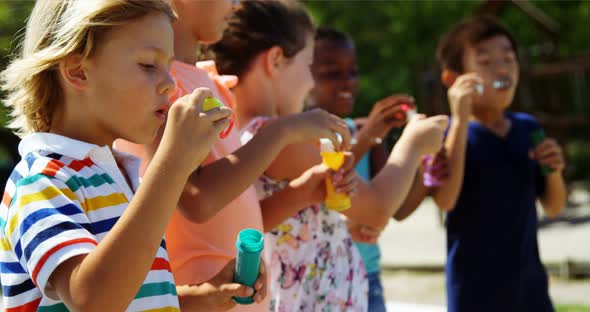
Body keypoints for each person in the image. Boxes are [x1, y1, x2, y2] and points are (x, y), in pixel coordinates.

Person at [114, 0, 356, 310]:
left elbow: (232, 214)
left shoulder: (201, 80)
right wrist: (281, 132)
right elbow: (197, 198)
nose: (238, 4)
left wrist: (301, 193)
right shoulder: (162, 86)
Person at [211, 1, 448, 310]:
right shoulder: (279, 136)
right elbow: (377, 208)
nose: (310, 83)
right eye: (308, 64)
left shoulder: (237, 133)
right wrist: (414, 142)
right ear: (276, 60)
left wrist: (338, 224)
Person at [0, 1, 232, 310]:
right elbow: (94, 301)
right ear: (77, 71)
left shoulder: (119, 176)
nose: (170, 84)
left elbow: (130, 297)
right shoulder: (40, 181)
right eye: (149, 65)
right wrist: (174, 165)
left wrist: (204, 297)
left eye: (169, 67)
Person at [395, 16, 567, 312]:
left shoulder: (528, 129)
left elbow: (553, 207)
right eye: (485, 62)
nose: (502, 69)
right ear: (453, 79)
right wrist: (460, 120)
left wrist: (554, 172)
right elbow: (446, 200)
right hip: (474, 292)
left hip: (530, 290)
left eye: (508, 59)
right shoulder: (444, 136)